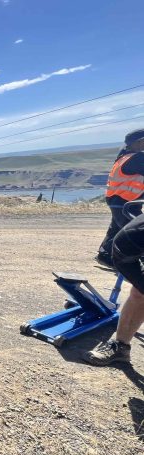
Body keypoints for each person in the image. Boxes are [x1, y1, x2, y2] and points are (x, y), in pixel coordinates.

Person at [86, 211, 144, 365]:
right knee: (140, 293)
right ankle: (120, 347)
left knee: (139, 293)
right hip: (125, 252)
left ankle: (121, 347)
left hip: (131, 244)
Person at [96, 129, 144, 267]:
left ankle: (104, 255)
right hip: (125, 202)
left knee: (117, 229)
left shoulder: (124, 157)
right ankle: (129, 261)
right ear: (139, 142)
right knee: (136, 231)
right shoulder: (136, 158)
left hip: (119, 201)